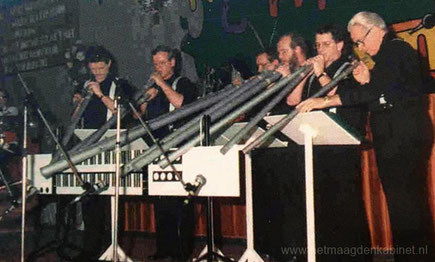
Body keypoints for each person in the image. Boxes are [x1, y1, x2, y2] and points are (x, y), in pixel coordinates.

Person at [298, 11, 434, 262]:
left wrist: (326, 100)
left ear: (376, 30)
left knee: (406, 206)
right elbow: (380, 88)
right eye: (356, 43)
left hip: (403, 134)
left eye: (360, 41)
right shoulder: (382, 55)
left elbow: (373, 92)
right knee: (402, 204)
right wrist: (366, 79)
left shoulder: (395, 51)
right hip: (394, 133)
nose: (360, 47)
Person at [300, 24, 370, 261]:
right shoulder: (319, 70)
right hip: (318, 143)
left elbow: (343, 97)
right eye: (317, 44)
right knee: (322, 206)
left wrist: (320, 74)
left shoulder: (349, 66)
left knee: (345, 205)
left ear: (340, 45)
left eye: (326, 44)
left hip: (344, 142)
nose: (320, 49)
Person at [72, 45, 135, 261]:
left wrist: (99, 95)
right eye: (94, 69)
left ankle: (111, 246)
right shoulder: (86, 85)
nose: (97, 73)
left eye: (101, 68)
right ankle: (90, 248)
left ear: (109, 64)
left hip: (110, 145)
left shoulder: (121, 85)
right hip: (88, 145)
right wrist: (79, 104)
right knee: (89, 198)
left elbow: (123, 114)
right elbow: (76, 119)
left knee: (109, 199)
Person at [140, 45, 197, 261]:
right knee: (160, 200)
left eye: (162, 63)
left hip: (178, 147)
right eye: (155, 64)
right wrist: (145, 100)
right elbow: (140, 117)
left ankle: (182, 253)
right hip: (156, 147)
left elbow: (182, 104)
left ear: (173, 62)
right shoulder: (154, 87)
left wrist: (162, 85)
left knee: (179, 203)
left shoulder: (183, 83)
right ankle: (164, 249)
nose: (158, 68)